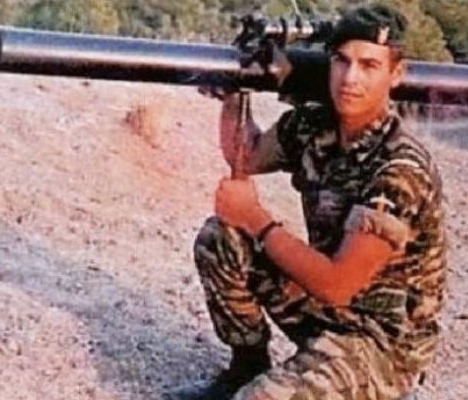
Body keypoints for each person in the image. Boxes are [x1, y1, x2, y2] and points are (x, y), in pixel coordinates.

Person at [172, 4, 447, 400]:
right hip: (330, 308)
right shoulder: (314, 125)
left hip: (382, 342)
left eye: (369, 65)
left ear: (396, 74)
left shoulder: (400, 169)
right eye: (341, 61)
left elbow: (338, 285)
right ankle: (246, 367)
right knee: (221, 239)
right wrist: (235, 90)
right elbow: (245, 154)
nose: (350, 78)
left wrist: (256, 218)